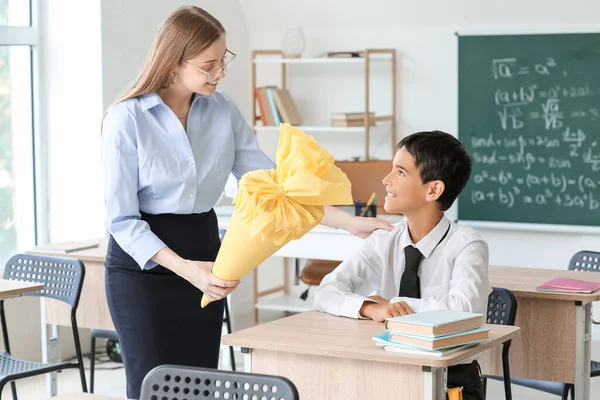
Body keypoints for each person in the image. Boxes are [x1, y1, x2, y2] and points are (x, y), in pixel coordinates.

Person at [101, 6, 391, 399]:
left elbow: (276, 188)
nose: (220, 73)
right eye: (209, 65)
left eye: (224, 62)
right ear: (173, 62)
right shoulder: (127, 119)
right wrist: (186, 269)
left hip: (206, 253)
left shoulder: (222, 110)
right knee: (151, 384)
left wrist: (349, 223)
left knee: (199, 383)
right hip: (144, 267)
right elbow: (121, 221)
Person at [314, 131, 491, 400]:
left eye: (400, 172)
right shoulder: (384, 240)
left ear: (433, 189)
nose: (386, 180)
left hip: (452, 382)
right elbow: (326, 292)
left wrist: (396, 305)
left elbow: (463, 309)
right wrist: (372, 308)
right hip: (390, 373)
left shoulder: (466, 245)